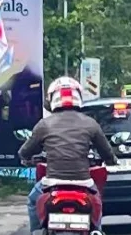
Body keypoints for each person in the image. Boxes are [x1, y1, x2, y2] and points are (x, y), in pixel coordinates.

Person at [19, 78, 118, 225]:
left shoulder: (44, 124)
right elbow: (106, 152)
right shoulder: (90, 123)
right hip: (83, 181)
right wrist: (112, 161)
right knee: (97, 205)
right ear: (78, 97)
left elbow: (25, 151)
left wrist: (27, 158)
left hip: (52, 182)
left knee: (33, 202)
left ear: (52, 99)